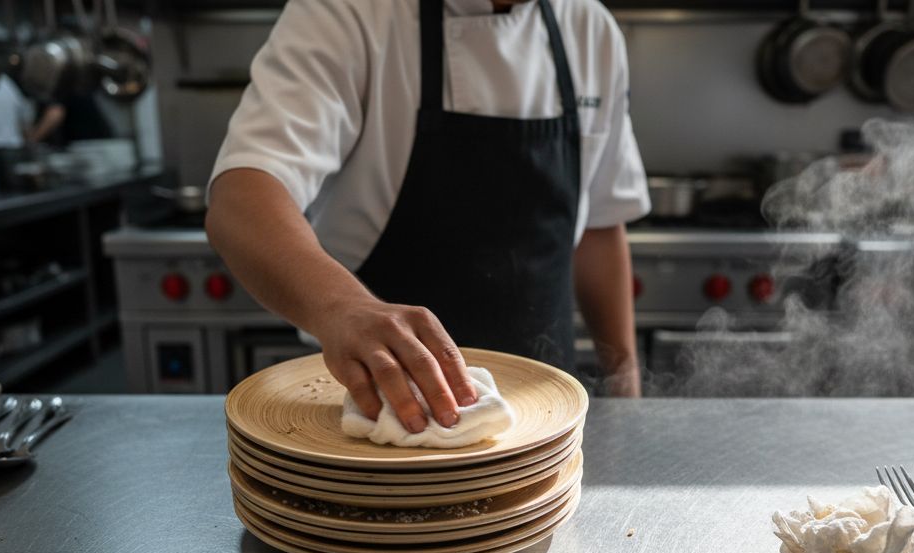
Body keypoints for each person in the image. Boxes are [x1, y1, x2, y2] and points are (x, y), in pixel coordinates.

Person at [206, 0, 649, 434]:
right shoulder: (348, 12)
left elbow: (600, 225)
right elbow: (242, 195)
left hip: (543, 422)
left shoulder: (591, 28)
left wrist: (626, 391)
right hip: (381, 409)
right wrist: (342, 308)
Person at [30, 91, 114, 147]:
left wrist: (31, 141)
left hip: (90, 143)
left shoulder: (56, 81)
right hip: (93, 141)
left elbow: (55, 113)